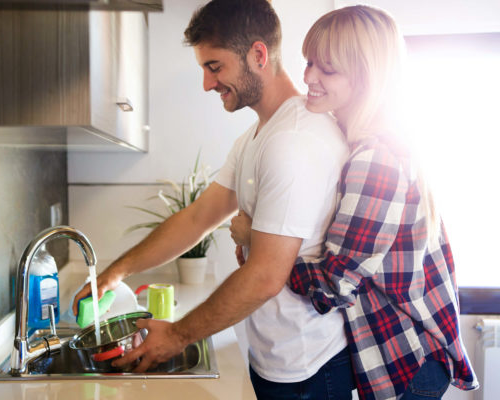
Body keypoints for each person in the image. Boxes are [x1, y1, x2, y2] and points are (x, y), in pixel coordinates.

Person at [72, 0, 354, 398]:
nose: (207, 83)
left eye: (215, 66)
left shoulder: (295, 142)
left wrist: (177, 336)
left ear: (258, 55)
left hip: (308, 369)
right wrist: (116, 273)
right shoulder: (258, 137)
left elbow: (265, 276)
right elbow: (198, 217)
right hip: (277, 357)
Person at [229, 5, 478, 400]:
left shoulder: (376, 158)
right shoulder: (355, 139)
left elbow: (332, 285)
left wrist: (257, 238)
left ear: (366, 78)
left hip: (409, 357)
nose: (308, 77)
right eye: (309, 62)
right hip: (401, 349)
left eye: (327, 70)